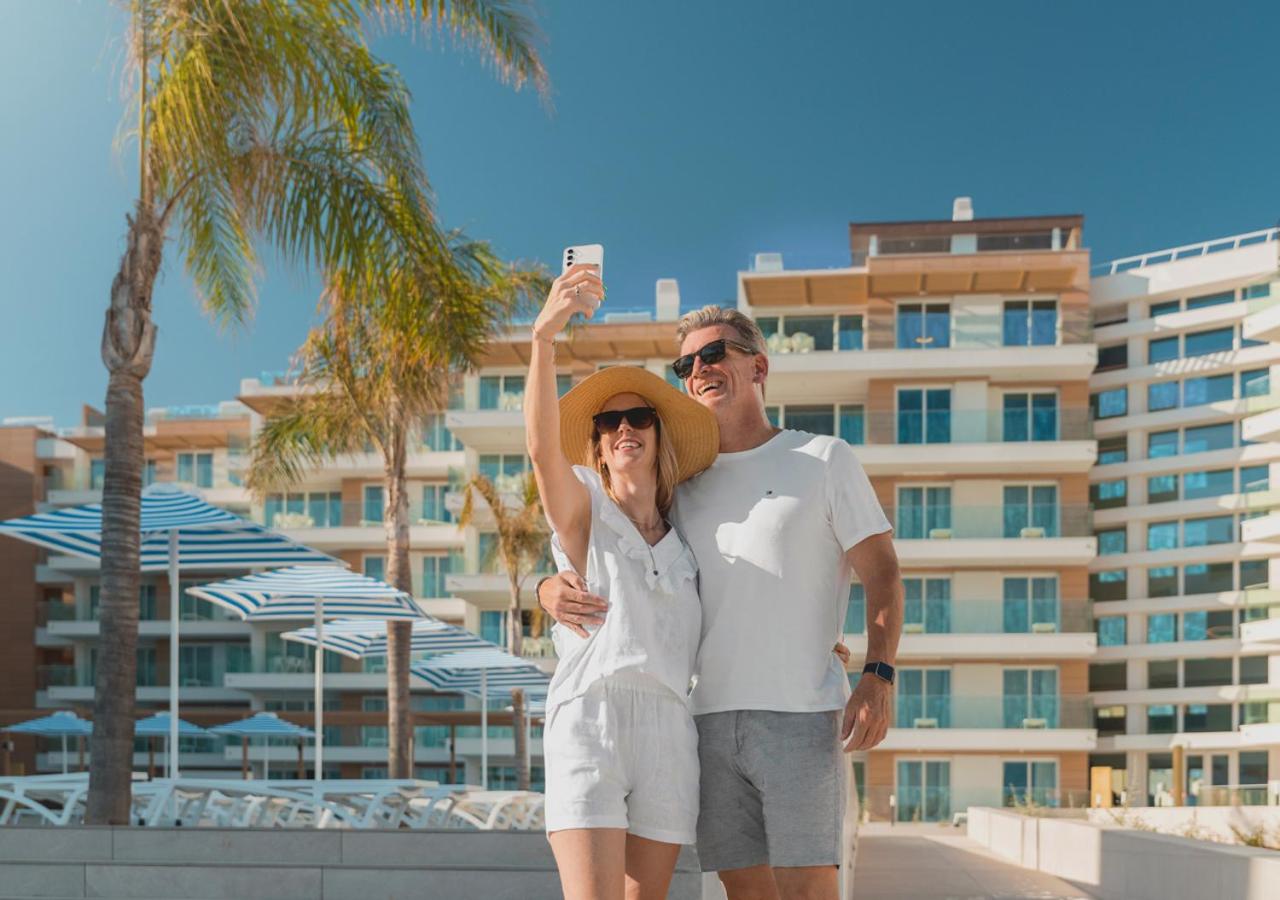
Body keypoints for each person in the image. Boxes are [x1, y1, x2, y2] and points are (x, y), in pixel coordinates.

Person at [537, 304, 904, 900]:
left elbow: (883, 572)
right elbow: (613, 553)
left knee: (809, 889)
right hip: (703, 723)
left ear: (759, 366)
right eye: (686, 364)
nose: (699, 369)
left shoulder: (824, 459)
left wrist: (877, 675)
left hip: (801, 714)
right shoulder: (679, 487)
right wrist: (546, 586)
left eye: (714, 354)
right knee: (744, 892)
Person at [526, 263, 718, 899]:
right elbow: (541, 451)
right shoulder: (585, 507)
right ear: (599, 446)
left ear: (659, 433)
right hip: (592, 717)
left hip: (670, 726)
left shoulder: (690, 535)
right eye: (609, 424)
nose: (624, 429)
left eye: (638, 416)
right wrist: (544, 339)